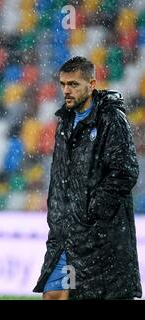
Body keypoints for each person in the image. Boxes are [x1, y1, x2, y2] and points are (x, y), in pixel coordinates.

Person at [33, 56, 142, 299]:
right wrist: (58, 212)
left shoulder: (110, 119)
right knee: (52, 293)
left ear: (91, 85)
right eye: (63, 84)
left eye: (73, 84)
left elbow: (125, 171)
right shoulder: (64, 121)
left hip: (99, 234)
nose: (66, 91)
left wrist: (93, 211)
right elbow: (60, 173)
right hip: (65, 233)